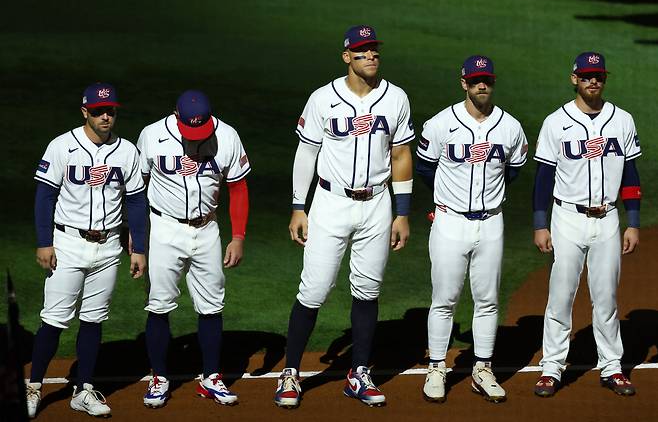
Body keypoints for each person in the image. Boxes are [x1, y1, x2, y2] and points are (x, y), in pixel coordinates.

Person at [274, 25, 414, 409]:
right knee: (315, 289)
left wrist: (401, 213)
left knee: (368, 290)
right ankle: (290, 373)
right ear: (347, 56)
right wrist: (298, 206)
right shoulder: (323, 98)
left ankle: (359, 374)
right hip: (330, 203)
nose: (371, 56)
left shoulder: (396, 98)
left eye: (375, 51)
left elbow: (401, 156)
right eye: (363, 50)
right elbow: (306, 154)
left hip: (376, 205)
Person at [26, 83, 148, 418]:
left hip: (108, 247)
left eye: (110, 111)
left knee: (94, 320)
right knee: (53, 320)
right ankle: (34, 385)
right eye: (98, 111)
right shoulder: (62, 147)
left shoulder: (127, 151)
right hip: (67, 244)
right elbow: (44, 197)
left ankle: (84, 389)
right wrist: (43, 241)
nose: (106, 116)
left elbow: (136, 200)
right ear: (85, 112)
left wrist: (139, 247)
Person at [416, 56, 528, 403]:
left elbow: (514, 169)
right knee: (444, 299)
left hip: (492, 222)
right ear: (463, 83)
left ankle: (482, 368)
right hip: (450, 222)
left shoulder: (510, 127)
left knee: (488, 300)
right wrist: (446, 200)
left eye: (488, 80)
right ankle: (436, 367)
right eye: (476, 80)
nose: (483, 86)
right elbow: (424, 168)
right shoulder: (440, 124)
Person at [532, 52, 641, 398]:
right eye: (587, 76)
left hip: (608, 218)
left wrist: (633, 221)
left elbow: (631, 174)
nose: (593, 81)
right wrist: (540, 223)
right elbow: (544, 176)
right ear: (574, 79)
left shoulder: (621, 120)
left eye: (599, 76)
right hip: (566, 218)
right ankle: (551, 367)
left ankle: (612, 366)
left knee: (606, 297)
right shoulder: (555, 122)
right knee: (561, 295)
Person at [137, 90, 250, 408]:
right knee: (159, 304)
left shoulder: (226, 136)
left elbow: (238, 187)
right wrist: (136, 233)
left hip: (207, 229)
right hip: (164, 228)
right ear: (176, 115)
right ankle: (159, 376)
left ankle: (211, 377)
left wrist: (238, 236)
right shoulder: (152, 135)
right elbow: (136, 186)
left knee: (212, 304)